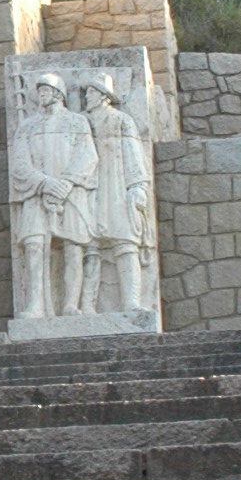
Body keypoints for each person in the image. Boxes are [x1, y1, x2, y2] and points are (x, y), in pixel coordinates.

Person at [9, 75, 99, 317]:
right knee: (34, 244)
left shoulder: (77, 122)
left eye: (46, 89)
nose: (42, 94)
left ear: (59, 93)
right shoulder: (26, 126)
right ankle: (35, 304)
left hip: (71, 192)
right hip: (36, 192)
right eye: (39, 90)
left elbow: (88, 157)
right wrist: (44, 183)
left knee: (73, 247)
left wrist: (66, 183)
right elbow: (19, 163)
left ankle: (70, 304)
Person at [86, 79, 155, 313]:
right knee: (88, 247)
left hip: (116, 188)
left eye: (91, 92)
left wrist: (138, 186)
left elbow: (134, 154)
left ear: (104, 96)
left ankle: (131, 302)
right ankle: (86, 306)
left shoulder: (122, 120)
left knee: (126, 245)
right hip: (88, 190)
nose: (87, 96)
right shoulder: (81, 123)